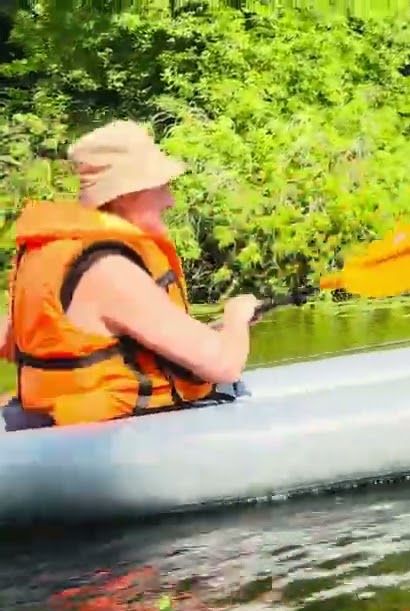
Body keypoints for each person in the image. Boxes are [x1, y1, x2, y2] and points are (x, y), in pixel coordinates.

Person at [0, 120, 259, 431]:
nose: (170, 200)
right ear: (123, 195)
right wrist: (236, 317)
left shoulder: (48, 254)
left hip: (56, 428)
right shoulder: (110, 270)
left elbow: (19, 341)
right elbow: (225, 365)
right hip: (109, 439)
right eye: (161, 188)